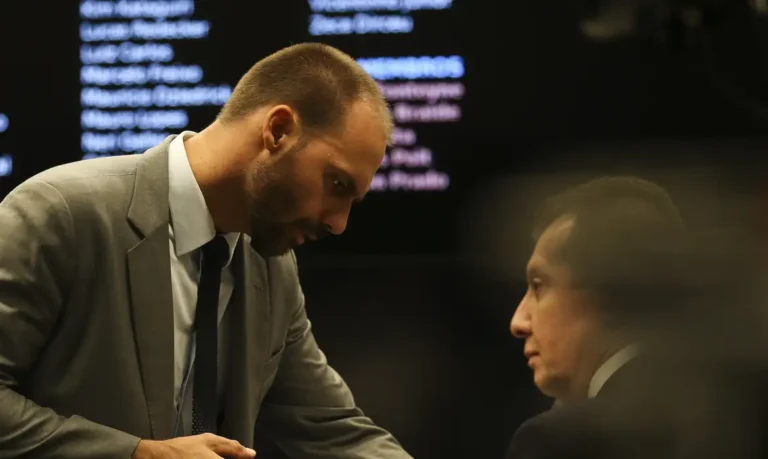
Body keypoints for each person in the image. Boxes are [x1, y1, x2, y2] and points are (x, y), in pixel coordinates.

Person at [0, 43, 412, 458]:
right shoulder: (60, 213)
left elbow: (334, 431)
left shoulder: (271, 267)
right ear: (278, 131)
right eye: (337, 184)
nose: (339, 223)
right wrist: (139, 454)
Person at [505, 176, 690, 459]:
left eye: (539, 286)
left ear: (611, 291)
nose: (518, 322)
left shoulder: (559, 441)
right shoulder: (732, 417)